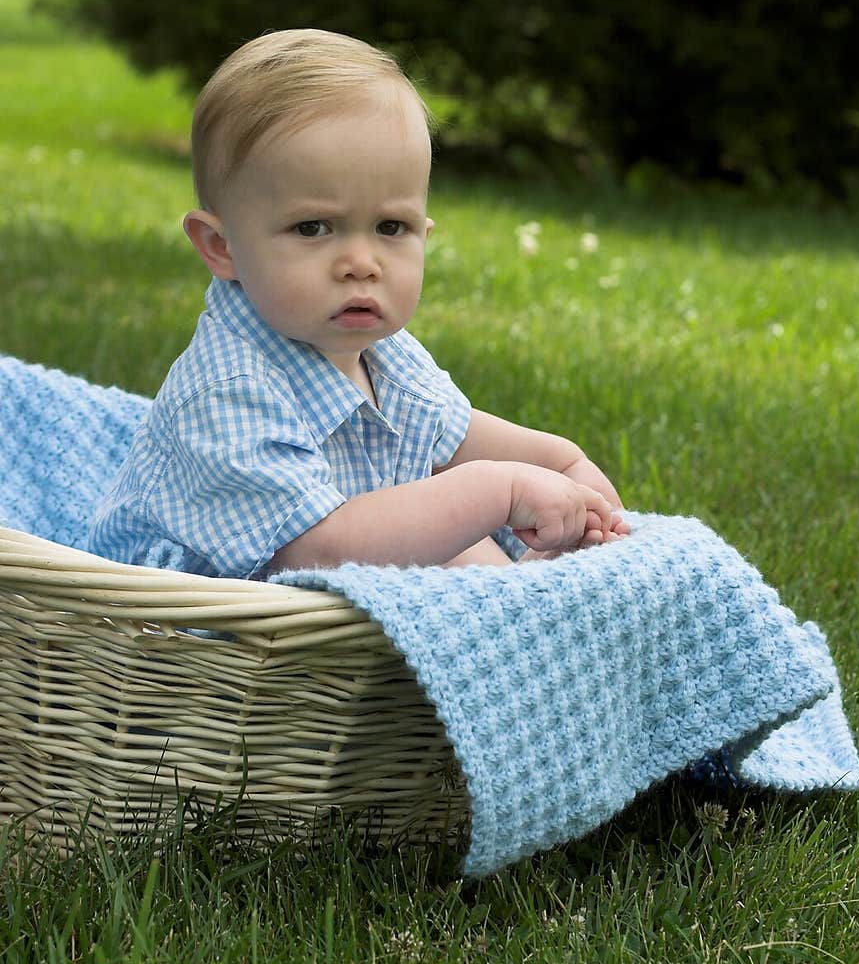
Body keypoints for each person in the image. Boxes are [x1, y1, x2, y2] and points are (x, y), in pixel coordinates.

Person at [88, 29, 630, 579]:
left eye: (390, 227)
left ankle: (529, 603)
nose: (361, 262)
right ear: (221, 247)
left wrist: (568, 469)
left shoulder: (384, 353)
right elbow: (320, 553)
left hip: (348, 580)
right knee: (462, 537)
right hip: (197, 627)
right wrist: (500, 488)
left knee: (472, 554)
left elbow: (461, 437)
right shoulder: (226, 390)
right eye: (312, 227)